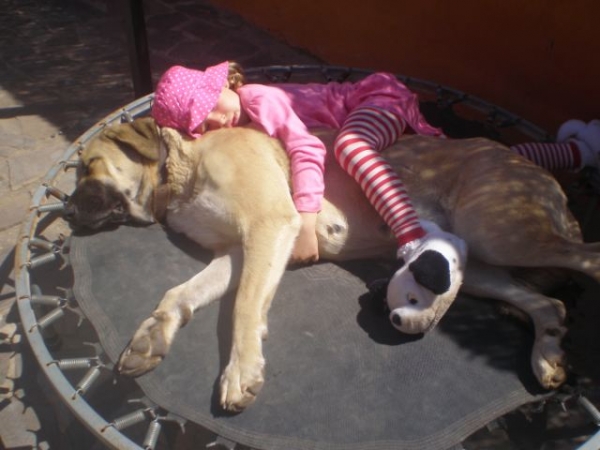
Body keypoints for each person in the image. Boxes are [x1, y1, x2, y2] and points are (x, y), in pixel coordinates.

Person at [151, 61, 600, 313]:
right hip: (384, 126)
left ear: (225, 83)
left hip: (375, 98)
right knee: (478, 155)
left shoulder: (260, 101)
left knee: (350, 145)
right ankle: (579, 151)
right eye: (200, 125)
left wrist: (306, 219)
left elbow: (307, 150)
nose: (215, 121)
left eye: (210, 106)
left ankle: (412, 238)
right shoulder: (239, 121)